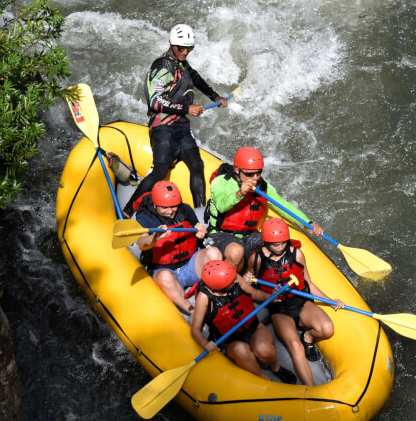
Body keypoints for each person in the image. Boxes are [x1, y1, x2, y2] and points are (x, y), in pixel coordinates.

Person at [122, 24, 229, 218]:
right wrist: (187, 108)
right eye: (181, 48)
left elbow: (195, 78)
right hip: (163, 126)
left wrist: (215, 97)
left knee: (197, 166)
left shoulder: (182, 64)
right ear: (172, 45)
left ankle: (199, 215)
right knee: (160, 170)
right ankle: (128, 210)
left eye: (189, 48)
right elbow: (155, 101)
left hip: (181, 127)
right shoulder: (162, 65)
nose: (185, 52)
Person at [245, 218, 345, 386]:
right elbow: (250, 281)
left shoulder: (297, 254)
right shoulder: (257, 259)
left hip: (301, 301)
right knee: (295, 346)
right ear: (266, 242)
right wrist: (248, 279)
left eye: (283, 243)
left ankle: (308, 337)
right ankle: (312, 390)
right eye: (275, 244)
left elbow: (309, 284)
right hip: (279, 308)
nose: (280, 247)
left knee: (327, 329)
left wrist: (330, 301)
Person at [205, 146, 324, 272]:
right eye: (250, 174)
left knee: (282, 251)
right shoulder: (221, 182)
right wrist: (239, 193)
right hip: (220, 234)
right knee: (236, 251)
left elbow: (283, 206)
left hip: (250, 236)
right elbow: (221, 206)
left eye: (258, 173)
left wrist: (307, 223)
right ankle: (231, 284)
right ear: (236, 170)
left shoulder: (263, 186)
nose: (255, 178)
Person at [190, 260, 297, 384]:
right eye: (231, 282)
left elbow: (255, 293)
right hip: (231, 340)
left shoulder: (235, 278)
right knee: (241, 351)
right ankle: (264, 378)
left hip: (254, 327)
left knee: (264, 349)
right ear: (219, 287)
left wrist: (270, 297)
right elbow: (195, 329)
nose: (235, 281)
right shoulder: (204, 298)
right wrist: (204, 343)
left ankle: (276, 368)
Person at [135, 180, 222, 314]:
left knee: (214, 253)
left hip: (190, 264)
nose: (170, 211)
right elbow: (142, 242)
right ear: (155, 204)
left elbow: (197, 229)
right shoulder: (145, 216)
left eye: (173, 206)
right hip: (165, 270)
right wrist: (155, 237)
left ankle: (217, 298)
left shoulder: (185, 209)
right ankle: (192, 311)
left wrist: (201, 233)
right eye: (164, 208)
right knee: (164, 277)